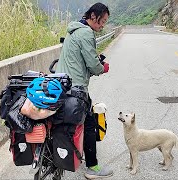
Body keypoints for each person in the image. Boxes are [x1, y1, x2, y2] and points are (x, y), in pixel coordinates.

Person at [55, 2, 113, 179]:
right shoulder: (87, 33)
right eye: (102, 20)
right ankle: (92, 168)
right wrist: (103, 67)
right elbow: (93, 65)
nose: (103, 25)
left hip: (59, 84)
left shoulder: (73, 30)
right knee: (90, 124)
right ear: (93, 16)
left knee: (59, 120)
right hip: (76, 87)